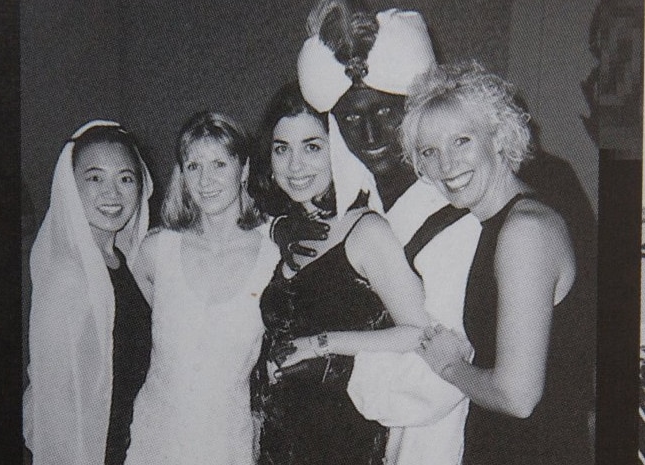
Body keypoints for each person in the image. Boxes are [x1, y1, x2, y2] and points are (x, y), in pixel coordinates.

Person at [292, 2, 481, 462]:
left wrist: (339, 367)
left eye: (386, 112)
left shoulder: (452, 220)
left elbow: (445, 369)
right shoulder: (370, 209)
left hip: (439, 439)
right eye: (353, 120)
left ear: (413, 111)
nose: (372, 132)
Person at [249, 82, 452, 465]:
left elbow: (420, 333)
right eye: (282, 149)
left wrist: (321, 343)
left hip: (344, 441)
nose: (295, 166)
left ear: (337, 151)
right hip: (281, 443)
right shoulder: (289, 230)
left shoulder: (366, 230)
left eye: (312, 146)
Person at [405, 61, 593, 464]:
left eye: (461, 141)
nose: (447, 165)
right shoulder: (501, 221)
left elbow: (518, 396)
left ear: (499, 137)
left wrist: (450, 367)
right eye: (430, 152)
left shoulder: (524, 230)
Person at [124, 112, 280, 465]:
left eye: (219, 164)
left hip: (226, 445)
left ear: (243, 170)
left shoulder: (275, 253)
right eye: (193, 166)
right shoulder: (157, 250)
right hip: (153, 440)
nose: (206, 180)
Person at [23, 120, 154, 465]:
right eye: (95, 178)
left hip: (135, 445)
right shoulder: (67, 275)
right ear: (71, 187)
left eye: (125, 179)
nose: (112, 194)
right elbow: (58, 401)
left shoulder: (124, 261)